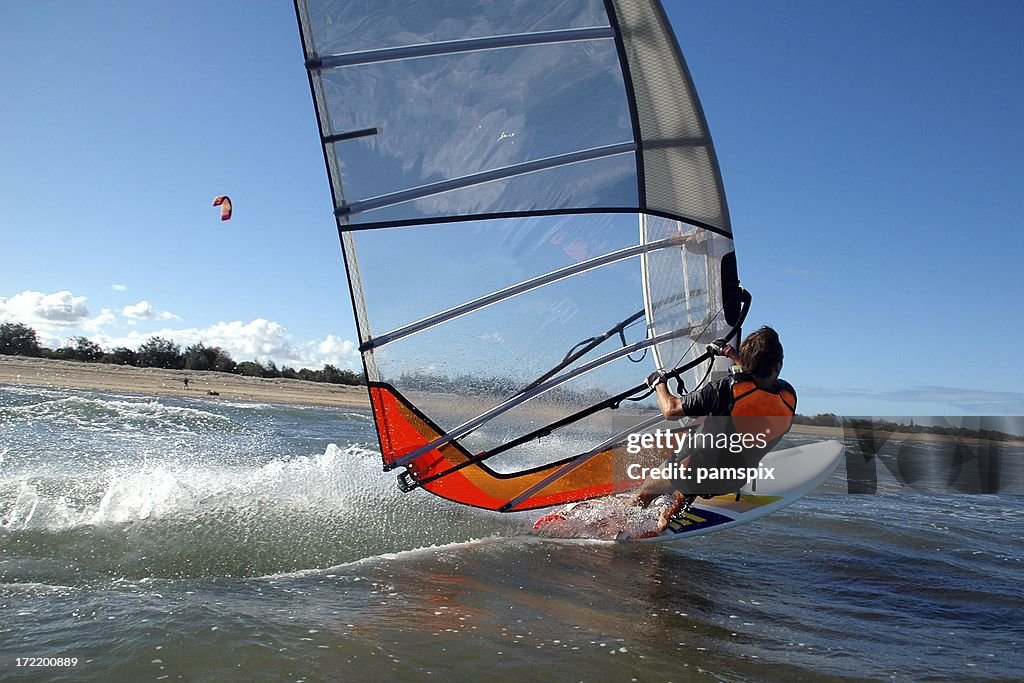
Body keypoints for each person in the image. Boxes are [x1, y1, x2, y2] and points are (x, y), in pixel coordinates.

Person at [633, 326, 797, 530]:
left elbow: (671, 410)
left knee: (645, 492)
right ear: (778, 366)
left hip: (691, 472)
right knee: (711, 464)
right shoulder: (788, 397)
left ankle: (620, 523)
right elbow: (758, 382)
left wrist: (658, 382)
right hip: (731, 481)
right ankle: (666, 518)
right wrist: (730, 353)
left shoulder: (725, 390)